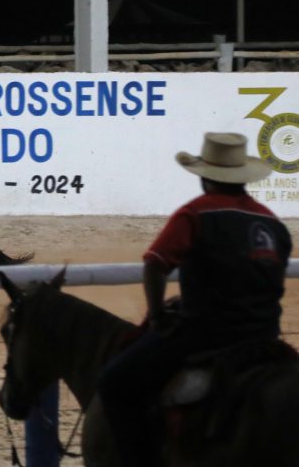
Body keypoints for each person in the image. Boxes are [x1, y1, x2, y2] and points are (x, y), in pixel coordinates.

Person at [97, 132, 292, 467]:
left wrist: (158, 316)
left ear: (204, 176)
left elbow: (155, 264)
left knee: (115, 382)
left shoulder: (196, 213)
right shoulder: (272, 223)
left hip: (205, 334)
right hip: (264, 338)